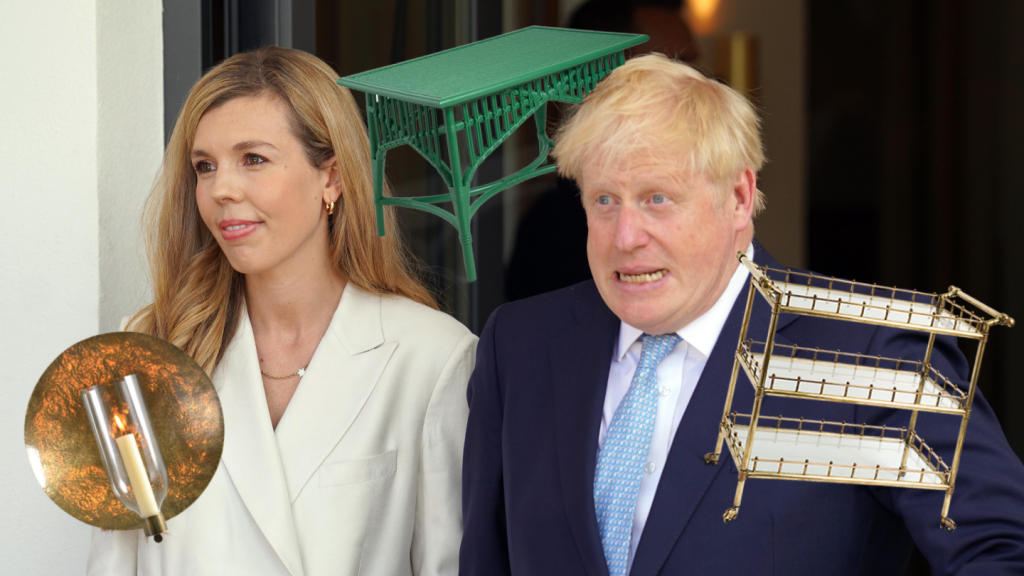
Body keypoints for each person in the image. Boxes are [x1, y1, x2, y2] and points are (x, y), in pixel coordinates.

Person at [460, 53, 1024, 575]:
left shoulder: (872, 352)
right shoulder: (521, 347)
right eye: (605, 200)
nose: (625, 237)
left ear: (737, 197)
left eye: (657, 198)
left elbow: (1001, 551)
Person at [88, 47, 475, 576]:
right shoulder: (152, 344)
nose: (221, 189)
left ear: (331, 178)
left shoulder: (431, 357)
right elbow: (114, 562)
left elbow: (448, 564)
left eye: (254, 159)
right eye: (205, 166)